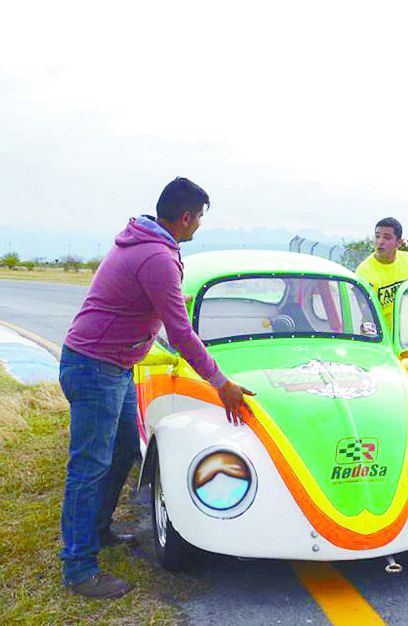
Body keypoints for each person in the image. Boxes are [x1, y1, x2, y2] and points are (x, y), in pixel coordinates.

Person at [58, 177, 254, 598]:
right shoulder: (157, 257)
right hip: (96, 367)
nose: (199, 224)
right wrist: (223, 384)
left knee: (127, 448)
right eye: (199, 217)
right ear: (186, 217)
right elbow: (180, 334)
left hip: (114, 365)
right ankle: (78, 568)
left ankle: (97, 531)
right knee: (87, 467)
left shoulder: (149, 242)